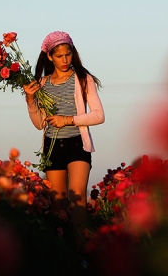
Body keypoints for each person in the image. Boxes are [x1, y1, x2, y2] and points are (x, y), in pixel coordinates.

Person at [23, 31, 104, 250]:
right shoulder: (41, 84)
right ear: (49, 57)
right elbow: (41, 123)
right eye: (59, 56)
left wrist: (67, 120)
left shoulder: (82, 79)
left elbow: (98, 115)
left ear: (72, 53)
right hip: (51, 147)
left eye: (68, 54)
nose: (65, 60)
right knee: (57, 207)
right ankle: (62, 255)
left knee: (77, 201)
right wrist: (30, 100)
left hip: (77, 143)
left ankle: (84, 254)